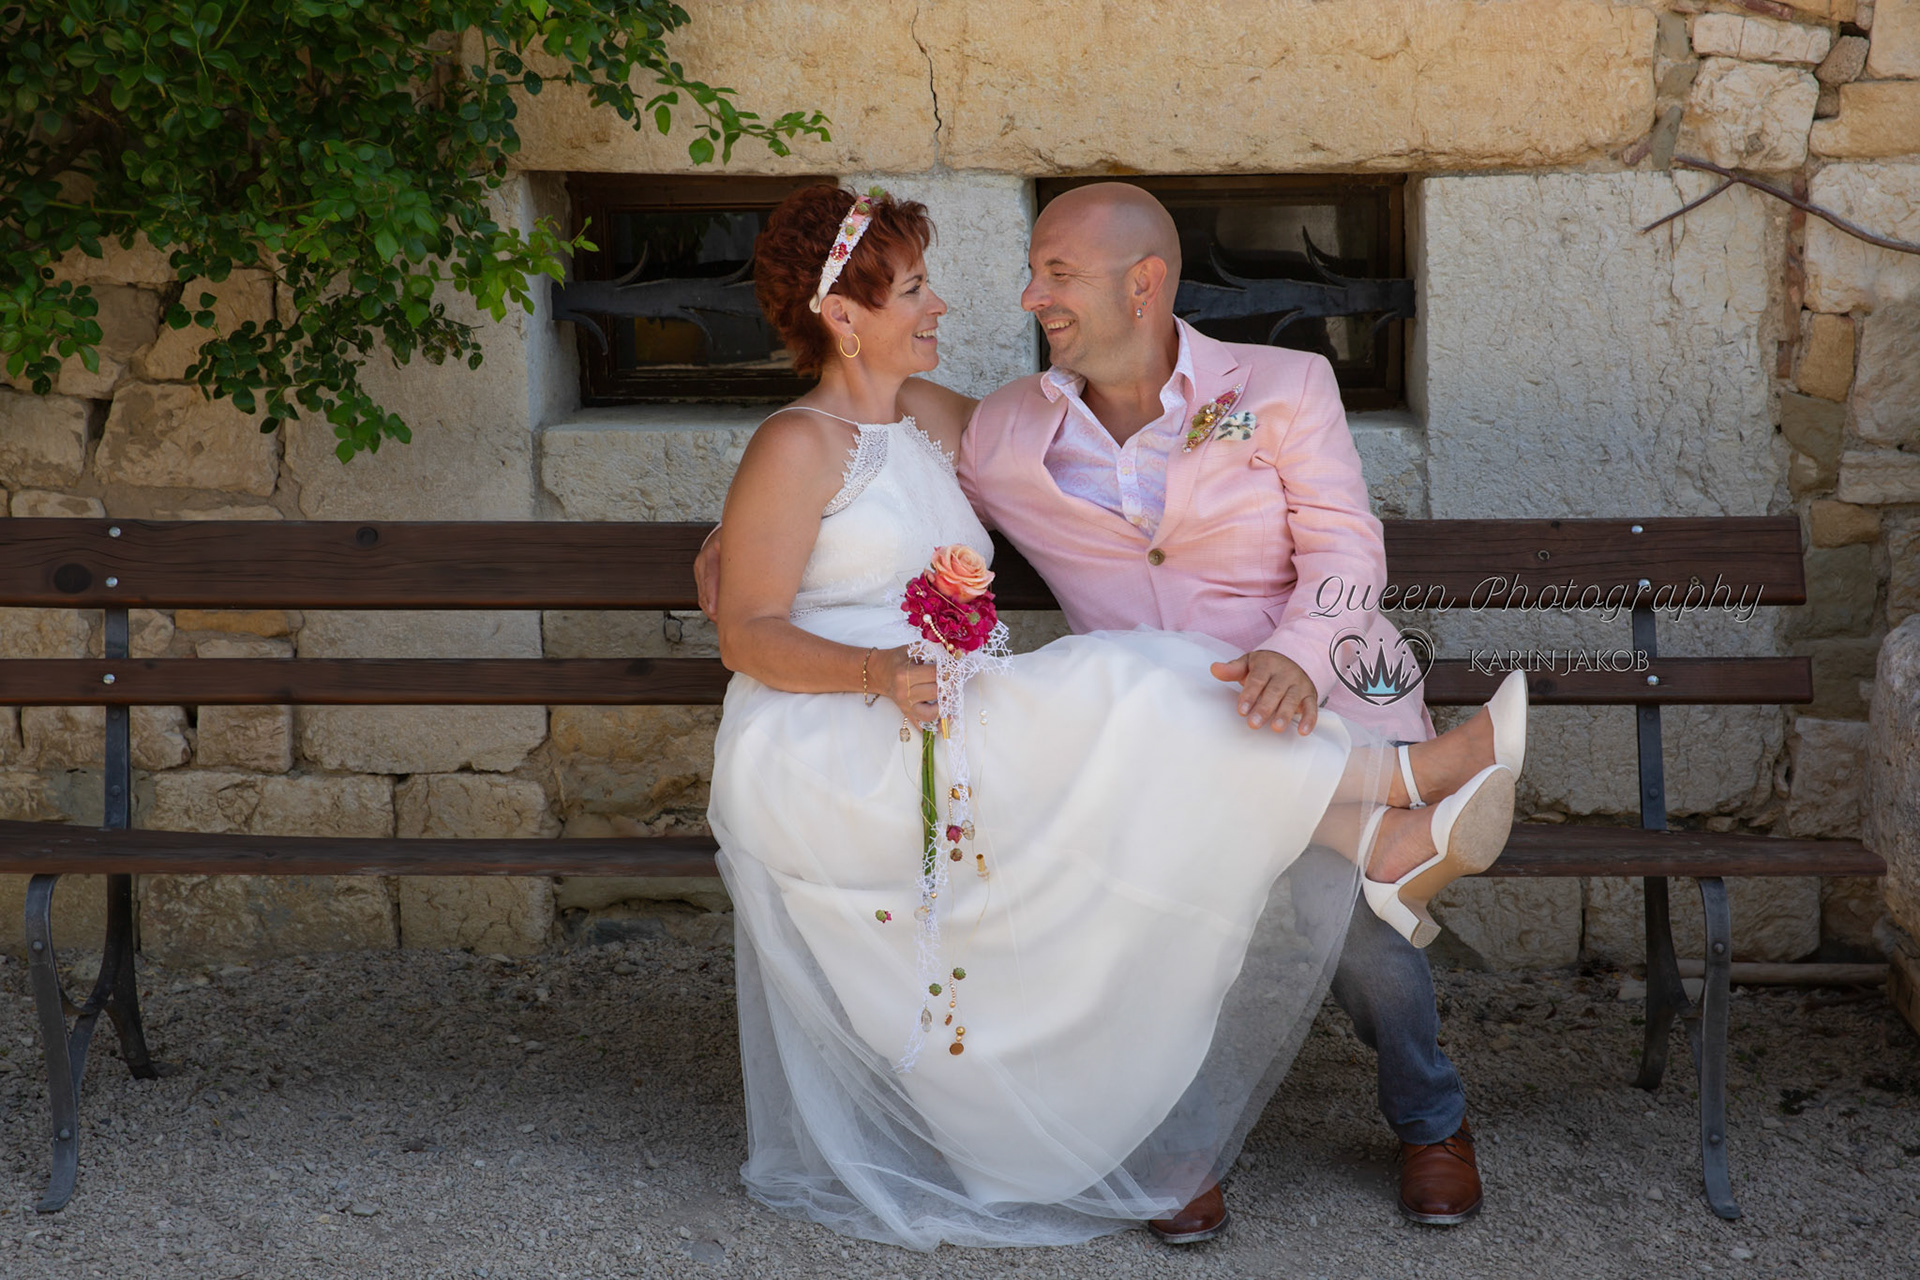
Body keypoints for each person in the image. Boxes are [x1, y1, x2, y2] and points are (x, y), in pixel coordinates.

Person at [697, 184, 1528, 1252]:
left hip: (1298, 691)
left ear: (1144, 284)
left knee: (1353, 921)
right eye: (1026, 272)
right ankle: (1180, 1141)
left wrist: (1298, 654)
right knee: (1140, 897)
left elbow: (1346, 553)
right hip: (1137, 734)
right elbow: (816, 495)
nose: (1024, 298)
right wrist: (735, 542)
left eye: (1057, 274)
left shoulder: (1279, 386)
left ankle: (1430, 1120)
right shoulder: (1010, 430)